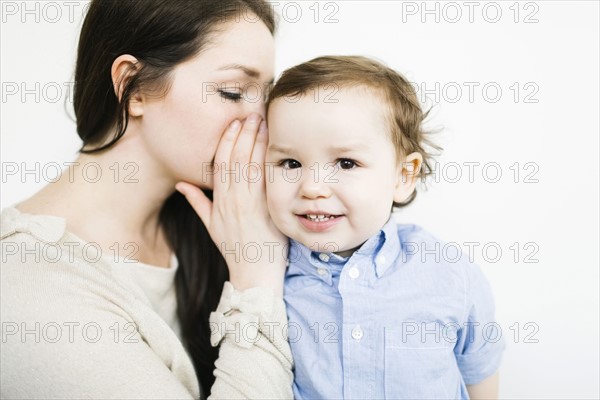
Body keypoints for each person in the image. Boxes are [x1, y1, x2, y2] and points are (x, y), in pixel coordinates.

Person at [0, 1, 294, 398]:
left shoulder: (224, 222)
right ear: (133, 87)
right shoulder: (30, 287)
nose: (261, 121)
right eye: (233, 91)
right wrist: (256, 281)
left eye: (267, 94)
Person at [264, 55, 505, 399]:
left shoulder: (447, 273)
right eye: (290, 163)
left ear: (403, 176)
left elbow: (479, 373)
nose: (312, 186)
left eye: (346, 163)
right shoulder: (267, 278)